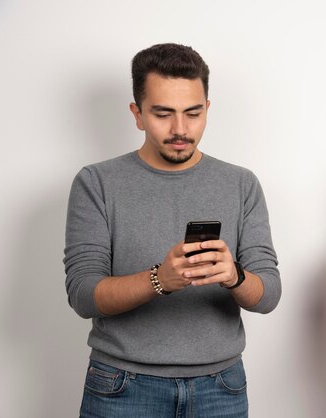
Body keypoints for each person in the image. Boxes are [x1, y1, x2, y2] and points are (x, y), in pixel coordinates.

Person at [63, 43, 281, 417]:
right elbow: (83, 295)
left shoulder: (241, 184)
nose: (180, 129)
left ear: (207, 110)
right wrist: (159, 280)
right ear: (137, 113)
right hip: (122, 386)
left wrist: (233, 276)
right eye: (163, 114)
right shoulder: (96, 182)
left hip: (221, 387)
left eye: (193, 114)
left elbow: (268, 295)